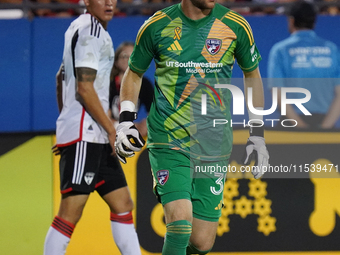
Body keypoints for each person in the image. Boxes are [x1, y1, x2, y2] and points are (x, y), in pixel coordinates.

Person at [114, 0, 270, 254]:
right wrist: (125, 122)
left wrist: (257, 135)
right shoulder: (157, 26)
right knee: (180, 219)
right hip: (168, 137)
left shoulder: (236, 26)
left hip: (213, 143)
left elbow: (252, 75)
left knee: (201, 241)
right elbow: (134, 72)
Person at [43, 0, 141, 254]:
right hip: (87, 135)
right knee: (70, 212)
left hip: (89, 133)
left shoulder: (81, 27)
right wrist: (111, 130)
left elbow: (59, 78)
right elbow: (84, 88)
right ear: (86, 1)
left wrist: (67, 122)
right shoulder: (92, 32)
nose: (109, 2)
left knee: (122, 203)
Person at [267, 0, 340, 129]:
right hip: (325, 124)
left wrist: (301, 128)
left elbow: (277, 94)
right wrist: (325, 128)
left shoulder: (280, 50)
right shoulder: (331, 49)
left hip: (291, 126)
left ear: (291, 21)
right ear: (314, 22)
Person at [109, 41, 154, 138]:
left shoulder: (144, 84)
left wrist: (146, 124)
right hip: (105, 134)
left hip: (127, 136)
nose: (129, 60)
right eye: (125, 56)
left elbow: (154, 112)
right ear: (116, 61)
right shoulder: (108, 83)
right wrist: (128, 128)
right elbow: (103, 116)